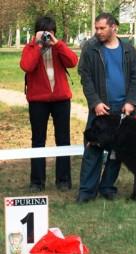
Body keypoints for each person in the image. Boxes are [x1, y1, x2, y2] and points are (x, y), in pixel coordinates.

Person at [77, 13, 136, 203]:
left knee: (117, 153)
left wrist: (131, 101)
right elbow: (85, 77)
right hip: (101, 108)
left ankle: (107, 188)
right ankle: (87, 192)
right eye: (96, 28)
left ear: (114, 27)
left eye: (102, 28)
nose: (98, 32)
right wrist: (95, 102)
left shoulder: (129, 50)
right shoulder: (90, 49)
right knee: (93, 149)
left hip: (124, 110)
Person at [20, 16, 78, 192]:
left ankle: (63, 180)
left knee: (63, 139)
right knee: (38, 140)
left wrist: (57, 44)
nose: (47, 36)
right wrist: (37, 46)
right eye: (44, 32)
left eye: (50, 33)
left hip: (61, 99)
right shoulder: (30, 48)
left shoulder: (58, 47)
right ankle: (37, 181)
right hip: (38, 100)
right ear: (36, 32)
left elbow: (73, 61)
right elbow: (27, 66)